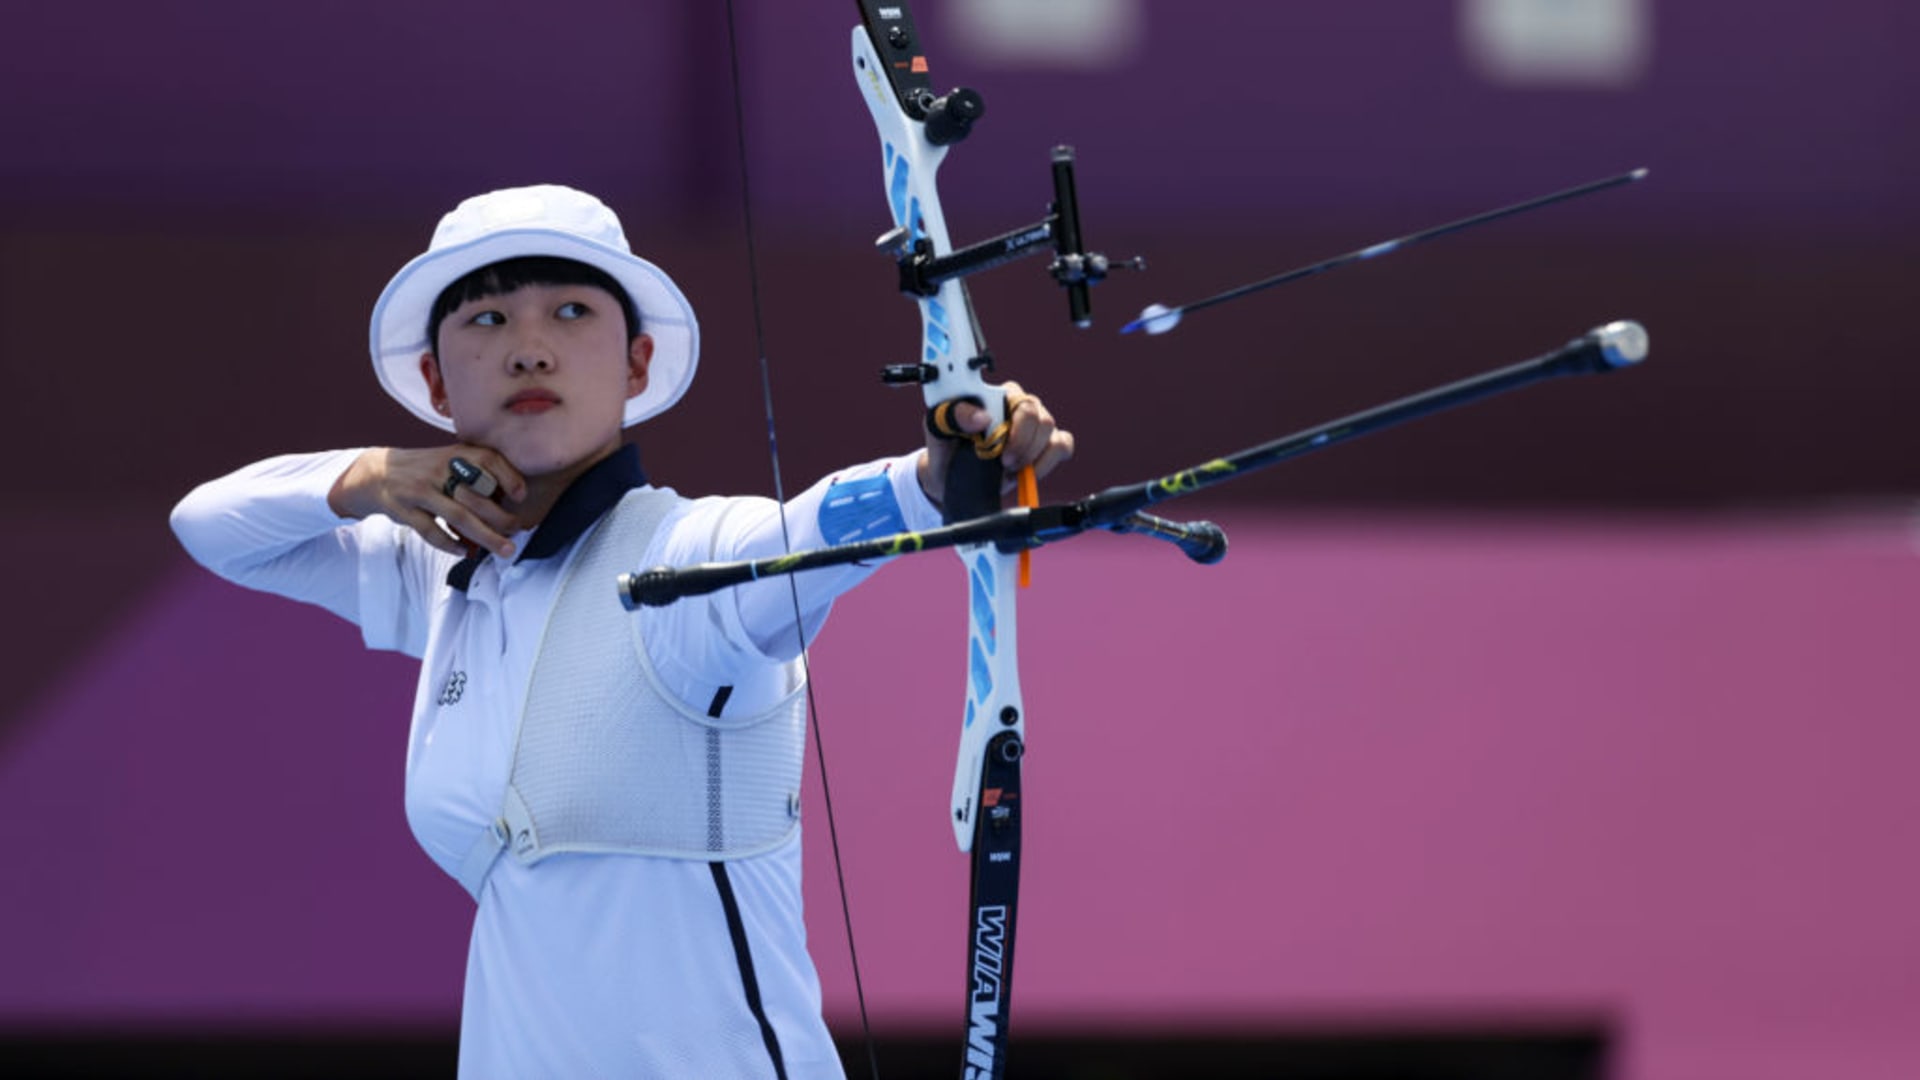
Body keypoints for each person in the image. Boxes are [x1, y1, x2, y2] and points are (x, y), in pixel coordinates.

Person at [169, 184, 1072, 1078]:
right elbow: (210, 526)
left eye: (569, 312)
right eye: (486, 320)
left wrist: (937, 478)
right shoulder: (443, 573)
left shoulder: (686, 558)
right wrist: (367, 474)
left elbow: (808, 531)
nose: (528, 349)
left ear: (636, 364)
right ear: (436, 382)